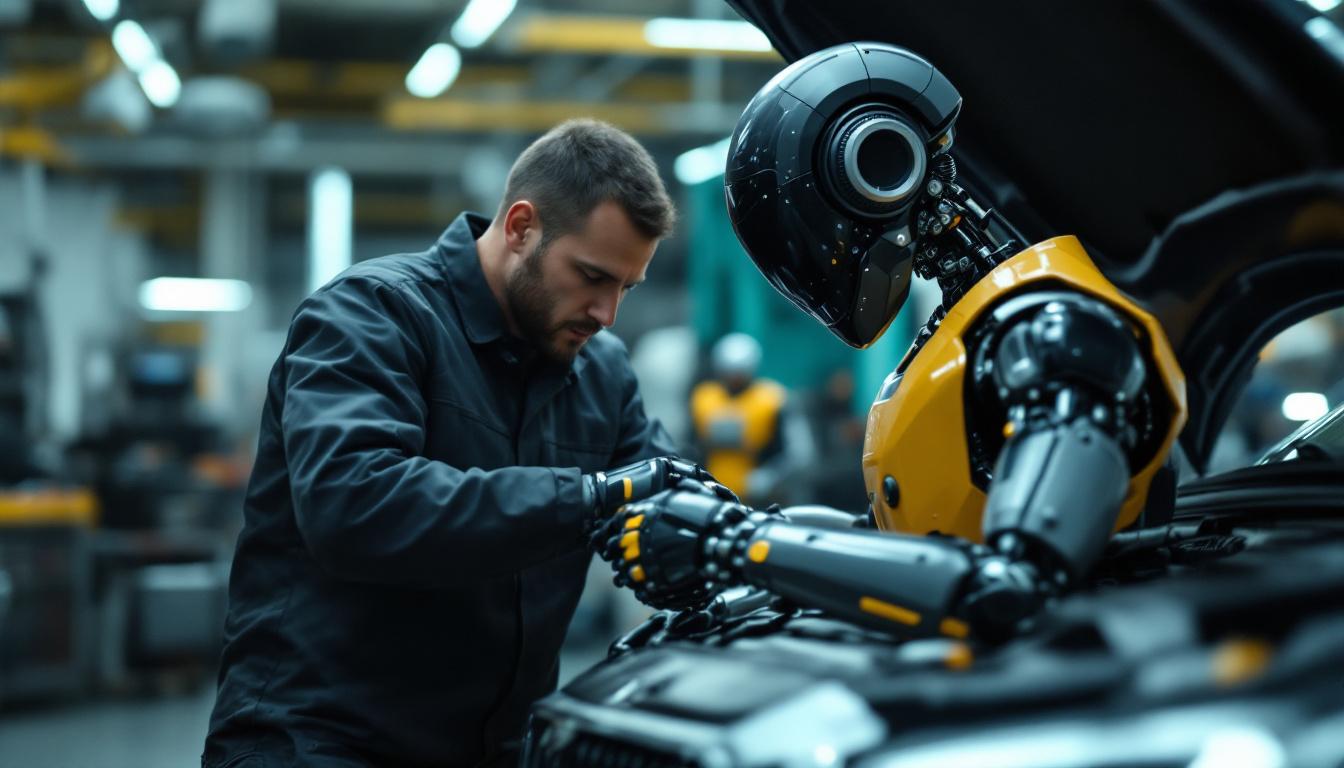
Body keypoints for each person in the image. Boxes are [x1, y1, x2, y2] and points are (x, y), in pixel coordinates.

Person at [203, 119, 715, 768]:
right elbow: (353, 505)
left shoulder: (603, 373)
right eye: (591, 276)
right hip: (321, 742)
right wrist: (588, 498)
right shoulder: (371, 315)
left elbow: (664, 490)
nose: (607, 312)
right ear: (521, 227)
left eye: (625, 287)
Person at [688, 332, 814, 506]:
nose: (734, 378)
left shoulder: (773, 399)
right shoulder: (704, 398)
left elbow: (798, 453)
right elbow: (691, 445)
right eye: (729, 372)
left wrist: (770, 477)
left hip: (760, 496)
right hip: (711, 492)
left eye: (739, 372)